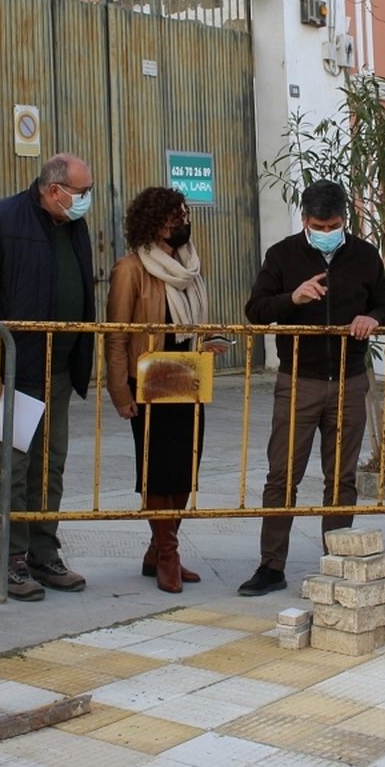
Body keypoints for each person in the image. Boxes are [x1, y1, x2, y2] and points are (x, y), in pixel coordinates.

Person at [238, 179, 385, 596]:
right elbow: (256, 310)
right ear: (305, 220)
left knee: (342, 478)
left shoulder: (365, 255)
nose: (327, 233)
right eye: (318, 226)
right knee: (282, 476)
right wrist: (292, 299)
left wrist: (373, 318)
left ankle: (337, 560)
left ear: (345, 220)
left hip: (350, 380)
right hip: (298, 381)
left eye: (334, 226)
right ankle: (271, 565)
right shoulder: (282, 255)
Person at [0, 153, 95, 600]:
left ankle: (43, 552)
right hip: (9, 371)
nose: (86, 200)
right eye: (81, 192)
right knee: (9, 470)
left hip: (58, 370)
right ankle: (10, 560)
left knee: (49, 466)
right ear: (54, 190)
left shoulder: (73, 225)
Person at [106, 187, 224, 593]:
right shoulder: (130, 269)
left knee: (186, 469)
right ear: (155, 223)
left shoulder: (189, 266)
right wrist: (120, 392)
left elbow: (189, 326)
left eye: (185, 216)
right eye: (176, 217)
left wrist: (207, 341)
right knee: (157, 472)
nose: (183, 223)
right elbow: (117, 336)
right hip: (148, 381)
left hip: (188, 375)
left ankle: (157, 550)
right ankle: (169, 556)